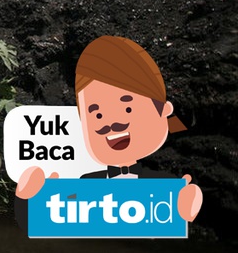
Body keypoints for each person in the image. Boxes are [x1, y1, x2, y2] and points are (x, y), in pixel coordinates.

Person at [16, 35, 202, 224]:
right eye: (97, 115)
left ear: (163, 109)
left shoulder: (160, 180)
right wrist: (35, 198)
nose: (111, 124)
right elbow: (54, 212)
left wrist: (184, 205)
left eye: (127, 109)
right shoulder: (88, 182)